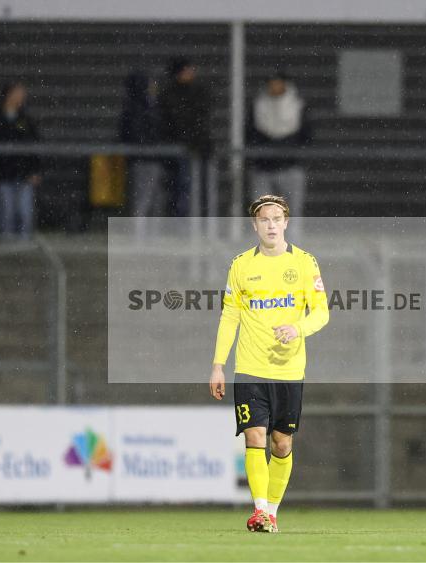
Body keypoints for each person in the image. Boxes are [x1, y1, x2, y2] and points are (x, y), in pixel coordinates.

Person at [209, 195, 329, 533]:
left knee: (282, 443)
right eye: (265, 219)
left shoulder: (305, 263)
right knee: (254, 435)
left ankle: (272, 512)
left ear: (286, 222)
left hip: (289, 371)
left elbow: (321, 312)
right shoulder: (241, 265)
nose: (271, 225)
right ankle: (259, 510)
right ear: (255, 225)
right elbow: (229, 315)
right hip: (248, 368)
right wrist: (218, 365)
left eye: (277, 219)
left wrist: (298, 328)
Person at [0, 82, 41, 237]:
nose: (21, 98)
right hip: (2, 175)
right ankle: (7, 250)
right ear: (8, 95)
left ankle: (22, 251)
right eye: (17, 94)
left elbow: (34, 145)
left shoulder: (24, 119)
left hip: (23, 175)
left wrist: (35, 170)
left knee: (24, 214)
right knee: (6, 214)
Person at [247, 73, 312, 223]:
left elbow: (306, 135)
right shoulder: (259, 105)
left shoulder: (297, 105)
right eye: (272, 84)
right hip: (263, 167)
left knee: (292, 212)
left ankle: (292, 244)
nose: (274, 87)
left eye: (278, 83)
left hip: (290, 165)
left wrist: (290, 150)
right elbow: (251, 133)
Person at [157, 57, 212, 216]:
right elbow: (175, 121)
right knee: (182, 188)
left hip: (196, 148)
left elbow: (200, 119)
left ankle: (193, 221)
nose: (191, 73)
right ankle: (184, 223)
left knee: (194, 187)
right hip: (181, 150)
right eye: (186, 69)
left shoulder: (197, 92)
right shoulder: (171, 94)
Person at [119, 71, 166, 220]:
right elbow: (140, 133)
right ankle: (141, 237)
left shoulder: (139, 106)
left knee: (152, 200)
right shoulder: (141, 108)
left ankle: (147, 237)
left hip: (146, 159)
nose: (154, 87)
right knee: (145, 201)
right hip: (145, 160)